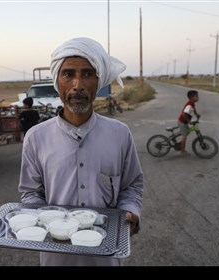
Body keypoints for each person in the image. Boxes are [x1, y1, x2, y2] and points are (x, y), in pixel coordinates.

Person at [18, 37, 144, 266]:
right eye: (68, 74)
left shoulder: (120, 134)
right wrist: (43, 221)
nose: (78, 84)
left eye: (87, 74)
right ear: (57, 81)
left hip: (106, 257)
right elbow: (30, 193)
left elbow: (132, 185)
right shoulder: (36, 138)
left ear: (99, 81)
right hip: (56, 257)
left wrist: (130, 211)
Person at [177, 90, 200, 156]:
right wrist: (189, 121)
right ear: (192, 97)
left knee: (187, 132)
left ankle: (180, 144)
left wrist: (196, 114)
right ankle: (182, 151)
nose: (198, 97)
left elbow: (194, 108)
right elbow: (184, 114)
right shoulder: (189, 105)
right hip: (182, 122)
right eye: (196, 96)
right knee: (184, 136)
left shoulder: (192, 103)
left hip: (184, 121)